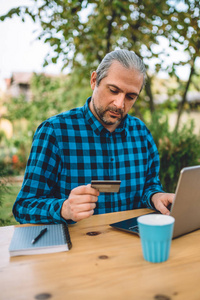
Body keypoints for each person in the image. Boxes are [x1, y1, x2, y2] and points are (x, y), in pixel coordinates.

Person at [13, 49, 174, 224]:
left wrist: (156, 196)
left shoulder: (141, 133)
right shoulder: (55, 132)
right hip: (77, 247)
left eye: (130, 96)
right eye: (113, 90)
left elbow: (150, 186)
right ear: (94, 80)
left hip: (132, 246)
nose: (119, 104)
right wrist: (64, 209)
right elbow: (24, 207)